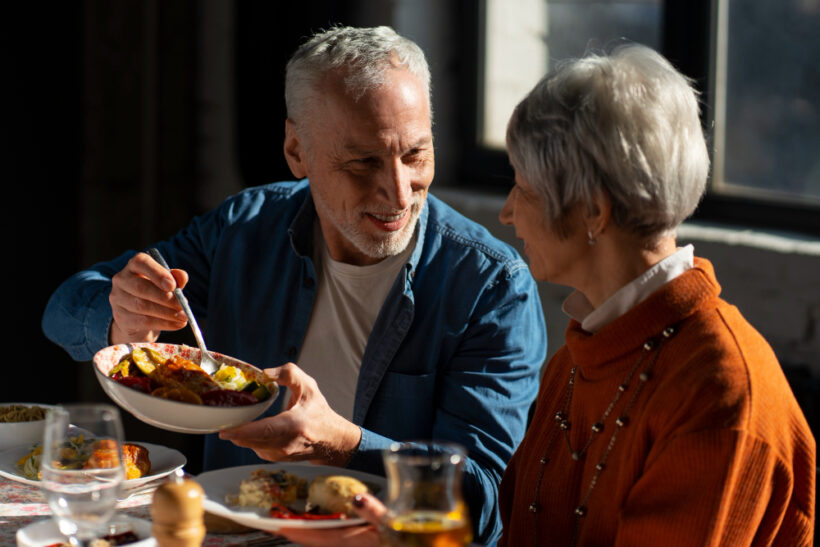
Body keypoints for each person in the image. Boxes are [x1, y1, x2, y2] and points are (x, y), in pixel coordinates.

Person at [277, 43, 816, 547]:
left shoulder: (719, 392)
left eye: (524, 189)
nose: (508, 212)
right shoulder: (583, 353)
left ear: (593, 213)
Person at [40, 25, 546, 544]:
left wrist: (342, 445)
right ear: (296, 150)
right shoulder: (245, 227)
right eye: (363, 162)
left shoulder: (493, 288)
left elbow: (482, 508)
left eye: (415, 155)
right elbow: (63, 308)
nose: (398, 192)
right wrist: (122, 316)